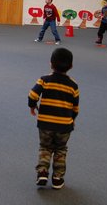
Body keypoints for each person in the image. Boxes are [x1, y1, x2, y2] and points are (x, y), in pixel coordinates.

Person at [28, 48, 79, 190]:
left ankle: (42, 172)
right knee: (61, 150)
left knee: (45, 147)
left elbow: (32, 94)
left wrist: (33, 106)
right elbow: (75, 108)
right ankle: (57, 178)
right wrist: (72, 119)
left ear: (50, 64)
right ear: (71, 66)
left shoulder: (44, 80)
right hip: (64, 126)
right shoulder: (73, 85)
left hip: (45, 124)